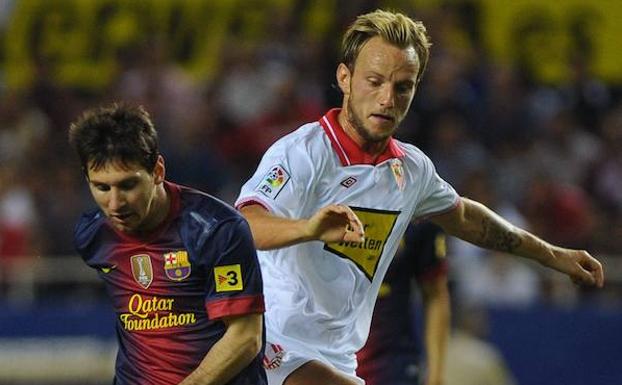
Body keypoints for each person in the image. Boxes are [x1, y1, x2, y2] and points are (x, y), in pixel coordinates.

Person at [235, 9, 604, 385]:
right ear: (344, 78)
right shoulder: (304, 152)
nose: (386, 99)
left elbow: (465, 218)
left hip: (338, 357)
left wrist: (553, 255)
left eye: (402, 87)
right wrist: (308, 227)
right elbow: (244, 224)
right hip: (274, 345)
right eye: (374, 82)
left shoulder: (411, 171)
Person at [69, 103, 267, 385]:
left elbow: (246, 337)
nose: (115, 203)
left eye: (128, 185)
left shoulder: (216, 230)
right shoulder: (93, 235)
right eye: (102, 187)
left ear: (158, 171)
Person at [357, 221, 450, 385]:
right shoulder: (320, 201)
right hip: (326, 358)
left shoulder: (419, 208)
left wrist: (436, 375)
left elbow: (435, 294)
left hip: (391, 363)